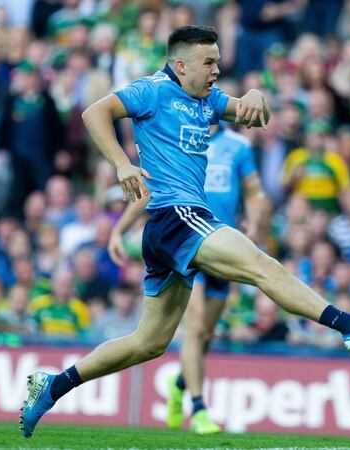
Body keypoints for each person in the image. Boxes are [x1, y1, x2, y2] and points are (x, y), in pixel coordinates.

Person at [19, 25, 350, 438]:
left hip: (171, 228)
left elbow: (250, 110)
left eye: (219, 62)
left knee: (148, 343)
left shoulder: (206, 99)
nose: (216, 70)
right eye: (209, 62)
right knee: (262, 266)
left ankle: (53, 385)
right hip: (176, 215)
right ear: (180, 64)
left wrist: (258, 97)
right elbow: (93, 112)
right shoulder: (151, 91)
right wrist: (121, 163)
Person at [107, 118, 267, 434]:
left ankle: (179, 382)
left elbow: (254, 193)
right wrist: (120, 229)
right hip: (188, 243)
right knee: (193, 327)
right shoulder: (178, 143)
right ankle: (198, 408)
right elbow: (150, 189)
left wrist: (255, 222)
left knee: (207, 333)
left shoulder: (239, 147)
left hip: (225, 243)